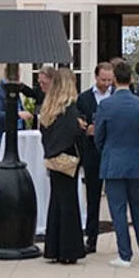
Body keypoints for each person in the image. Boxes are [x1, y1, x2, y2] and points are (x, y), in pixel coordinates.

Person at [93, 60, 139, 267]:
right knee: (137, 208)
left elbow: (98, 136)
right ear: (131, 79)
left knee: (118, 210)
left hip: (113, 161)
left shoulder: (106, 105)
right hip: (136, 161)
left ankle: (124, 254)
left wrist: (106, 151)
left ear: (115, 80)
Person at [38, 68, 85, 264]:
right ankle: (68, 250)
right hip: (67, 159)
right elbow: (72, 134)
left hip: (53, 159)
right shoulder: (70, 109)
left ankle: (54, 248)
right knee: (68, 204)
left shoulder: (49, 108)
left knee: (56, 202)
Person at [75, 61, 114, 254]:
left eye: (109, 79)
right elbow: (78, 121)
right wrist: (85, 129)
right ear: (96, 77)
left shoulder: (116, 96)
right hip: (91, 153)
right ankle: (91, 238)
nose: (107, 83)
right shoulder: (83, 98)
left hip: (113, 152)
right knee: (92, 197)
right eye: (103, 80)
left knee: (117, 197)